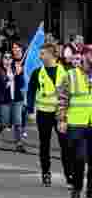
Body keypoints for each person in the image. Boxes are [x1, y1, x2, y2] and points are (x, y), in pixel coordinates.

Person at [26, 42, 69, 187]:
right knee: (44, 145)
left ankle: (69, 174)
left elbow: (70, 94)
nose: (40, 56)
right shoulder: (37, 72)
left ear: (51, 55)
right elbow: (31, 92)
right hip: (43, 113)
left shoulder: (65, 73)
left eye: (43, 53)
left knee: (65, 145)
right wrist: (30, 110)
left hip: (60, 113)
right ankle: (46, 173)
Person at [58, 44, 92, 198]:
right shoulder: (70, 75)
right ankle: (77, 186)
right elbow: (62, 100)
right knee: (78, 159)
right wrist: (62, 119)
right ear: (84, 56)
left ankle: (90, 194)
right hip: (76, 123)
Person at [0, 51, 25, 153]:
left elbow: (21, 84)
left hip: (17, 99)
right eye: (5, 58)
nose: (7, 60)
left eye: (10, 58)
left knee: (18, 122)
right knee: (4, 123)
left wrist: (19, 75)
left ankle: (19, 144)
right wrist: (6, 81)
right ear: (2, 59)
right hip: (5, 100)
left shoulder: (16, 69)